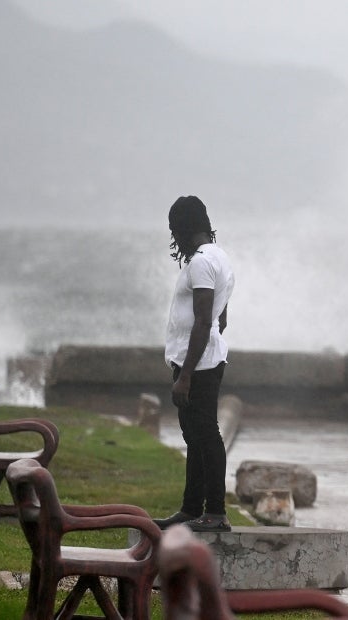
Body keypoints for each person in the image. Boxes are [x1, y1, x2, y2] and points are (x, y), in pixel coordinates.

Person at [154, 196, 236, 533]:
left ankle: (215, 512)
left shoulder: (201, 263)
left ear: (185, 229)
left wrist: (185, 375)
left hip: (198, 365)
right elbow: (222, 316)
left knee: (206, 435)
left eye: (175, 230)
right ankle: (191, 509)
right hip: (204, 358)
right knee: (195, 436)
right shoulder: (220, 257)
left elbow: (204, 321)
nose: (174, 238)